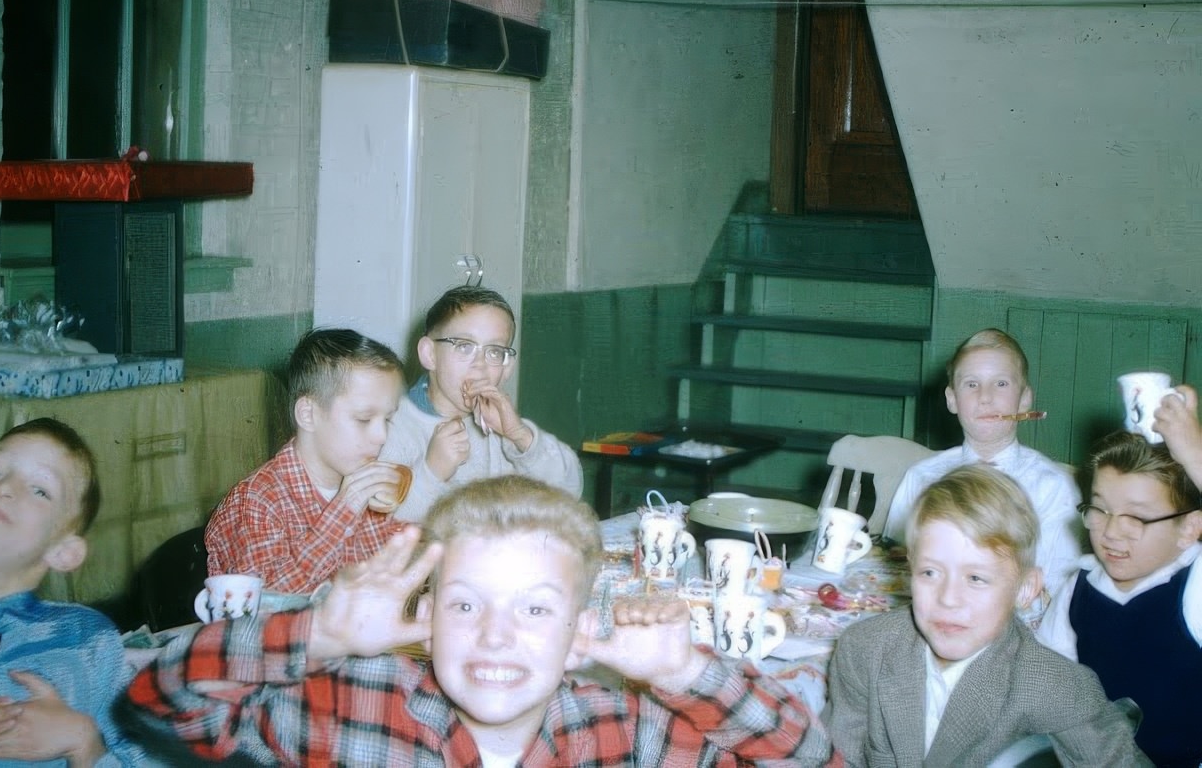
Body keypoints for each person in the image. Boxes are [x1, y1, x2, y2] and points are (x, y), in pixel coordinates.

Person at [123, 475, 843, 766]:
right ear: (427, 619)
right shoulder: (359, 704)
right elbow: (163, 694)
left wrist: (685, 671)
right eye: (466, 605)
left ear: (577, 636)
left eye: (535, 608)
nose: (496, 635)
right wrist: (324, 634)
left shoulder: (627, 733)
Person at [825, 465, 1150, 767]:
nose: (948, 599)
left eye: (976, 578)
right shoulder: (864, 650)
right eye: (929, 572)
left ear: (1025, 589)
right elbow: (836, 758)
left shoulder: (1053, 686)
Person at [0, 418, 142, 766]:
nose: (3, 487)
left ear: (64, 552)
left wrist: (84, 741)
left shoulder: (89, 642)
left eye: (39, 489)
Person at [1036, 397, 1202, 767]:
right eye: (1100, 510)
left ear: (1189, 528)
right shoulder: (1080, 585)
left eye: (1136, 518)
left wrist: (1195, 454)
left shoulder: (1194, 588)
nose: (1111, 532)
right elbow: (1046, 682)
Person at [882, 328, 1082, 607]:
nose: (985, 397)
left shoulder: (1052, 486)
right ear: (952, 399)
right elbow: (896, 567)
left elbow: (1059, 588)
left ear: (1024, 399)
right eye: (971, 384)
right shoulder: (922, 476)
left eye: (1001, 384)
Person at [205, 328, 411, 595]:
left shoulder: (362, 483)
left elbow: (384, 569)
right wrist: (342, 513)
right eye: (363, 419)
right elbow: (263, 604)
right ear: (308, 414)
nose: (381, 436)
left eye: (387, 419)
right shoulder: (257, 502)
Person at [379, 285, 582, 521]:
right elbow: (379, 527)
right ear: (429, 354)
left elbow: (568, 492)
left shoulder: (500, 426)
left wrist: (519, 435)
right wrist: (432, 471)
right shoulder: (391, 426)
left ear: (506, 368)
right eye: (464, 346)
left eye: (494, 352)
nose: (480, 364)